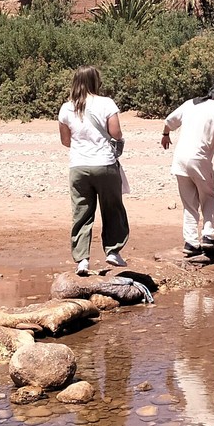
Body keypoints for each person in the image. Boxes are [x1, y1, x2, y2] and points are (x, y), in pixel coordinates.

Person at [57, 67, 129, 275]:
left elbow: (65, 141)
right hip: (104, 163)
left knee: (81, 212)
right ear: (95, 81)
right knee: (112, 208)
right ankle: (113, 251)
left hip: (78, 166)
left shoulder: (66, 108)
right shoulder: (106, 103)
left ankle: (82, 260)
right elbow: (116, 133)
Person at [161, 81, 214, 255]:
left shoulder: (190, 104)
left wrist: (165, 134)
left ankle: (191, 242)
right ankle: (208, 236)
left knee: (189, 203)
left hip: (180, 159)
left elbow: (169, 120)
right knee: (209, 197)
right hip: (199, 159)